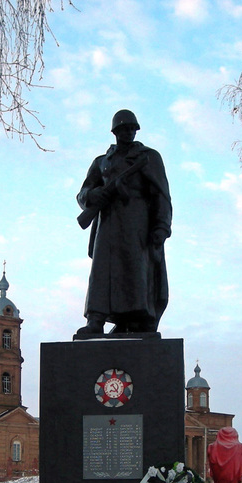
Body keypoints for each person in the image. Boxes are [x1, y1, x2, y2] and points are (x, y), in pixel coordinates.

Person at [76, 110, 172, 335]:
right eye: (123, 129)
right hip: (107, 224)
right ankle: (96, 320)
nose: (128, 132)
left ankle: (133, 319)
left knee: (136, 270)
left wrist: (161, 226)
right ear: (115, 132)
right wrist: (94, 195)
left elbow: (161, 195)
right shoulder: (102, 162)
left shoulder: (148, 157)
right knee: (102, 272)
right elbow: (83, 192)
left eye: (132, 128)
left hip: (137, 222)